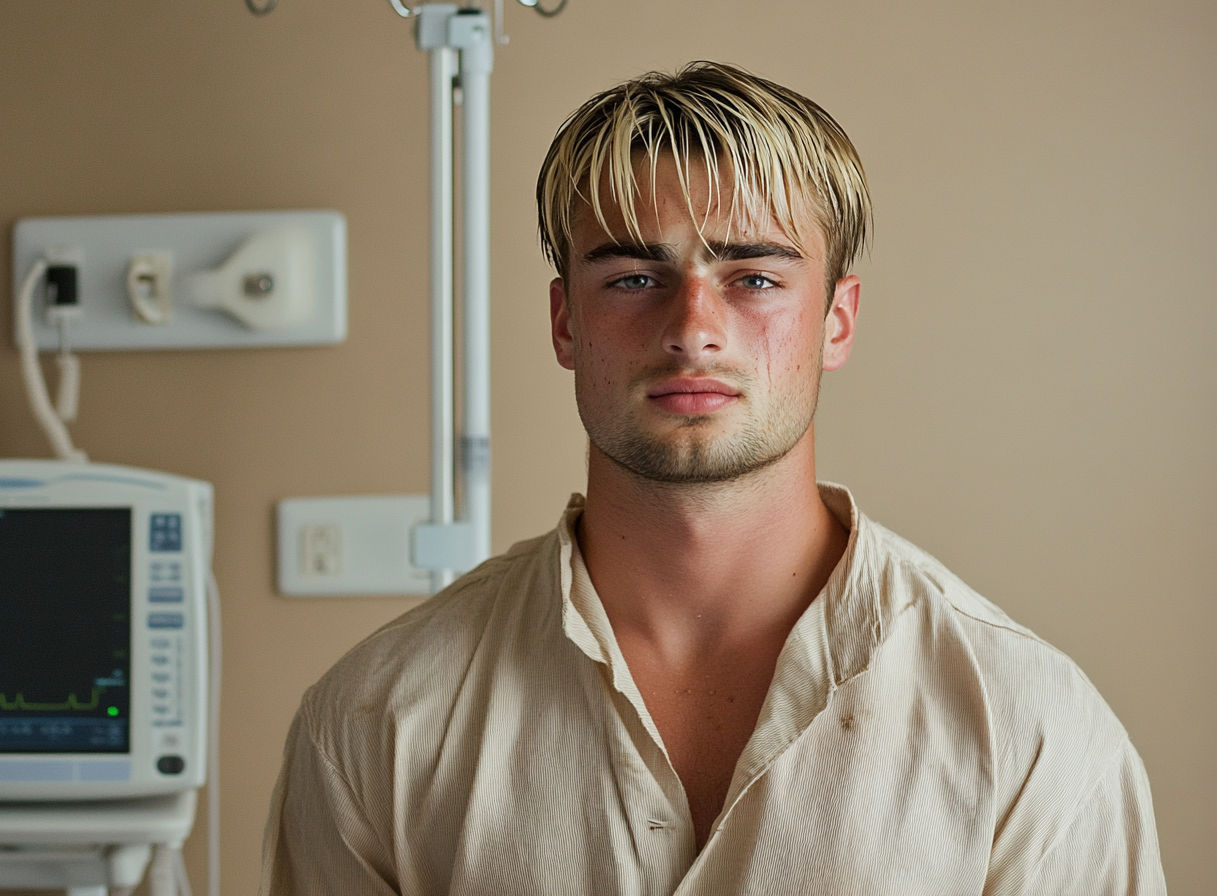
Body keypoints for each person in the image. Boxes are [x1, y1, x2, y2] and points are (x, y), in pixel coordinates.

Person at [259, 62, 1165, 895]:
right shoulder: (376, 725)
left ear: (836, 323)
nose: (693, 327)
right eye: (632, 278)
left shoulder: (1032, 731)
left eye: (755, 277)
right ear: (565, 321)